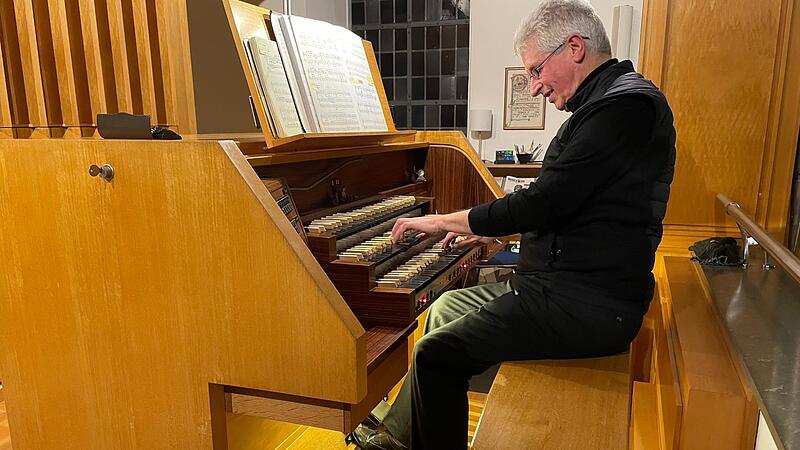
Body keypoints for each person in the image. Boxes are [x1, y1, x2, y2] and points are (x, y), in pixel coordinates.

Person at [351, 0, 676, 448]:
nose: (535, 86)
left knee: (435, 353)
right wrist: (496, 227)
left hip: (587, 306)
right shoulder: (608, 104)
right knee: (443, 310)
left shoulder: (623, 110)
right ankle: (401, 436)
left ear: (575, 47)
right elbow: (580, 209)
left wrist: (446, 221)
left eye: (536, 71)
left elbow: (545, 201)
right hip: (561, 288)